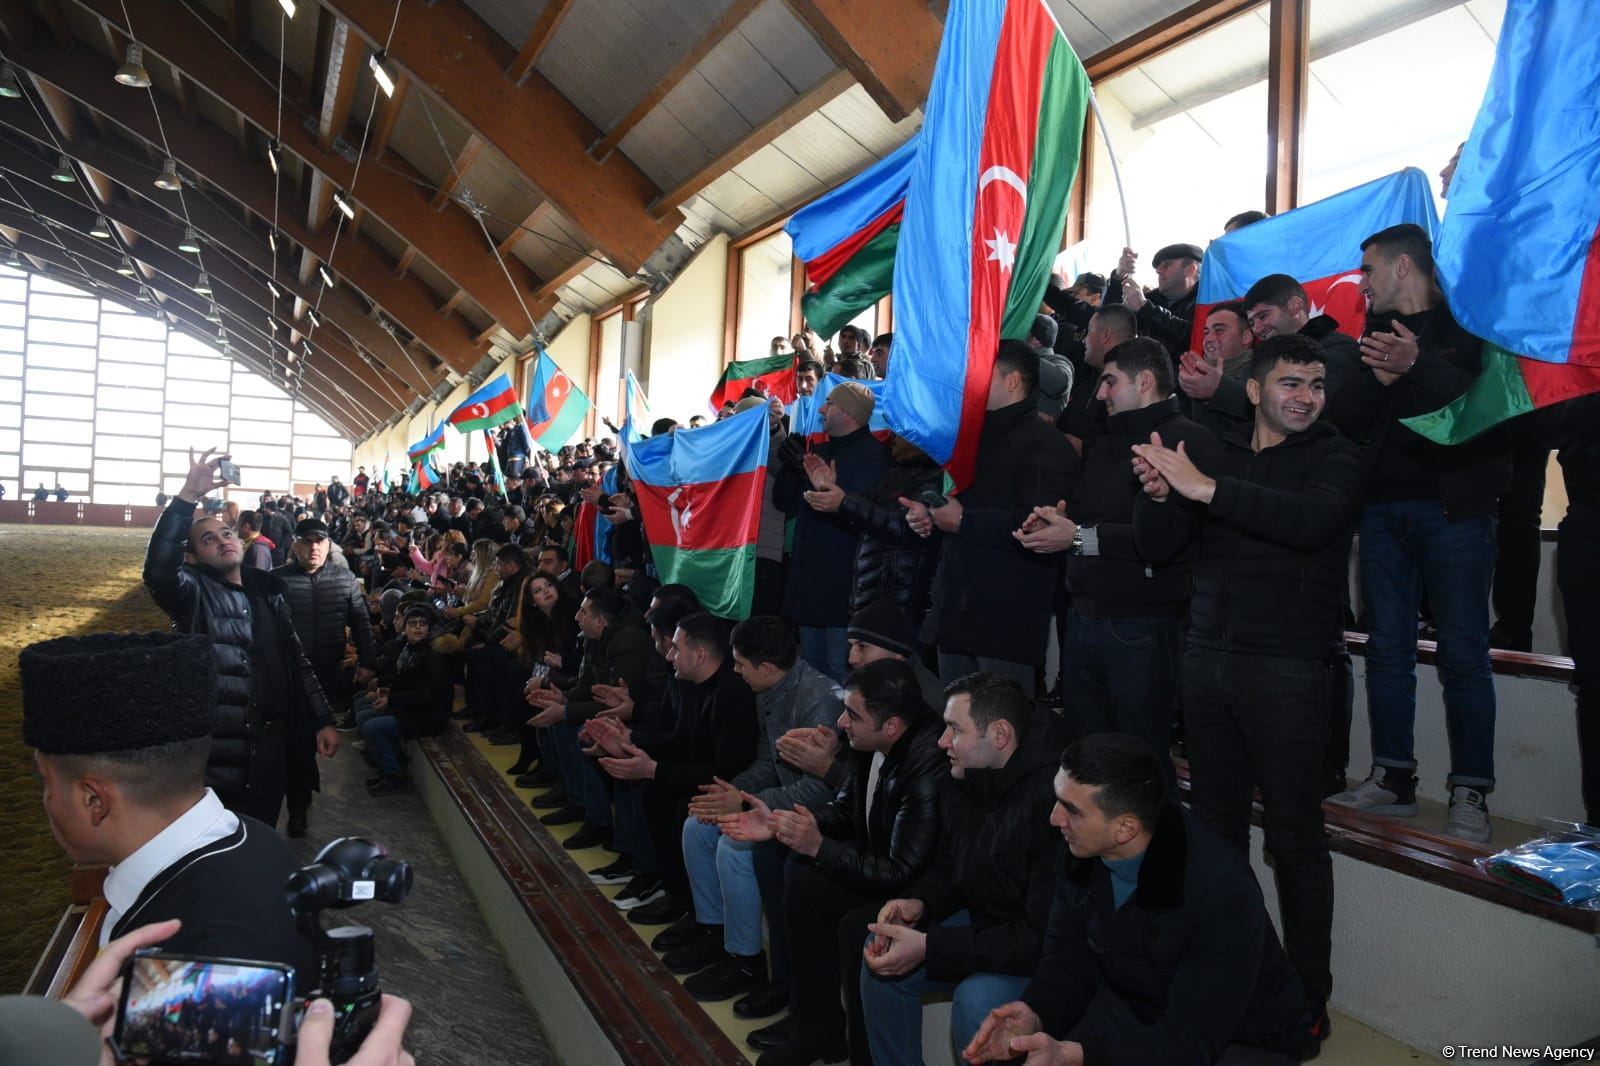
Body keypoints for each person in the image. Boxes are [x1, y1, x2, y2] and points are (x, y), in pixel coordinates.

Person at [1132, 333, 1363, 1037]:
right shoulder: (1213, 451)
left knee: (1295, 840)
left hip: (1290, 672)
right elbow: (1157, 548)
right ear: (1256, 389)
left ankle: (1307, 997)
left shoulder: (1336, 458)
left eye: (1317, 385)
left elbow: (1308, 523)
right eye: (1291, 383)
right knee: (1217, 834)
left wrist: (1205, 489)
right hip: (1205, 662)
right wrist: (1163, 497)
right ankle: (1233, 972)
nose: (1306, 397)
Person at [964, 734, 1313, 1066]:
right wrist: (1036, 1012)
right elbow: (1067, 961)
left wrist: (1081, 1054)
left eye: (1071, 809)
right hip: (1136, 1001)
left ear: (1125, 829)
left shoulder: (1222, 891)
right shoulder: (1080, 847)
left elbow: (1189, 1042)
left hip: (1241, 1038)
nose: (1054, 818)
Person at [1327, 223, 1510, 843]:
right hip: (1380, 511)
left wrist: (1416, 367)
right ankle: (1394, 777)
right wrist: (1377, 382)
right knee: (1386, 649)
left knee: (1463, 652)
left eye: (1371, 269)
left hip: (1454, 510)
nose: (1364, 283)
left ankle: (1471, 791)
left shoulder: (1470, 324)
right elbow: (1345, 422)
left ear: (1404, 267)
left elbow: (1488, 409)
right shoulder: (1371, 337)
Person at [21, 631, 318, 983]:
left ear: (93, 800)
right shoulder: (259, 840)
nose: (47, 801)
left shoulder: (184, 969)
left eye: (47, 783)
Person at [1016, 338, 1214, 781]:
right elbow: (1089, 519)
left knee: (1139, 765)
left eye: (1109, 382)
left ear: (1144, 382)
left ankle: (1151, 852)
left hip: (1142, 626)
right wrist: (1057, 522)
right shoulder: (1106, 444)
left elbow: (1172, 539)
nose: (1099, 394)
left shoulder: (1188, 441)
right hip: (1085, 617)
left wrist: (1079, 538)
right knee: (1088, 762)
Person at [728, 659, 943, 1066]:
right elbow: (846, 811)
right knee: (804, 878)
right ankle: (818, 1031)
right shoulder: (871, 740)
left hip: (921, 892)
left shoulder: (927, 765)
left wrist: (820, 847)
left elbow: (903, 872)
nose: (842, 723)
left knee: (851, 927)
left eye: (853, 715)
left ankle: (865, 1057)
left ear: (892, 726)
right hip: (884, 867)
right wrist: (780, 824)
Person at [859, 672, 1063, 1066]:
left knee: (977, 1000)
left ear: (1000, 735)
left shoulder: (1054, 803)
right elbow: (954, 865)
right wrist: (920, 902)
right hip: (988, 923)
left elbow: (1041, 938)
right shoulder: (962, 773)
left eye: (954, 729)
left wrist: (932, 947)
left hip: (1038, 949)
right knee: (880, 955)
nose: (941, 741)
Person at [144, 450, 339, 827]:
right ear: (194, 559)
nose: (222, 541)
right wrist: (187, 496)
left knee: (262, 835)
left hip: (274, 748)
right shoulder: (193, 596)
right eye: (207, 539)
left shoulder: (269, 593)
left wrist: (323, 719)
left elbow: (296, 661)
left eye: (226, 533)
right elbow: (158, 571)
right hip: (221, 755)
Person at [660, 616, 845, 1010]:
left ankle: (747, 961)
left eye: (740, 664)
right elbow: (767, 761)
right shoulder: (769, 688)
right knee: (698, 825)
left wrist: (743, 804)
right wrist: (735, 792)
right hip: (776, 801)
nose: (735, 670)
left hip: (819, 816)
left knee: (734, 846)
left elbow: (821, 787)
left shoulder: (820, 701)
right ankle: (713, 931)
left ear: (765, 668)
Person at [905, 341, 1080, 696]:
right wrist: (930, 512)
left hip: (1005, 620)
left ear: (1013, 380)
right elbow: (952, 502)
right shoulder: (968, 438)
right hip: (954, 608)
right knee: (955, 729)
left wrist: (964, 520)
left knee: (1002, 731)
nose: (970, 383)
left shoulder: (1046, 444)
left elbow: (1038, 527)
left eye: (982, 374)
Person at [587, 613, 759, 928]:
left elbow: (726, 771)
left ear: (700, 655)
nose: (669, 655)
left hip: (732, 787)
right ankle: (676, 894)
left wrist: (653, 769)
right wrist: (630, 742)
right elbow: (680, 740)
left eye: (676, 649)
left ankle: (698, 913)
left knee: (680, 805)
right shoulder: (692, 682)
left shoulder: (732, 693)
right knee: (656, 791)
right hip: (705, 774)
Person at [775, 381, 891, 681]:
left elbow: (864, 515)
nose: (823, 410)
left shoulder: (875, 457)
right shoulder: (820, 451)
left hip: (845, 584)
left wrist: (831, 491)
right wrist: (790, 468)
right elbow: (784, 503)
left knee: (843, 670)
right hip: (809, 580)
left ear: (849, 413)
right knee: (811, 671)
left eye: (830, 404)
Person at [273, 517, 377, 835]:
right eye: (307, 541)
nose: (313, 548)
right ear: (295, 544)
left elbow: (361, 623)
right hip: (284, 676)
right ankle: (288, 805)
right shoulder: (276, 581)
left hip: (325, 676)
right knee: (289, 743)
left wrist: (368, 662)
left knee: (303, 743)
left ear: (328, 545)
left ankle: (298, 806)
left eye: (319, 542)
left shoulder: (344, 579)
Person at [361, 604, 453, 795]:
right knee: (364, 716)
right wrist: (387, 692)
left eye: (422, 623)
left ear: (428, 629)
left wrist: (392, 699)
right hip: (414, 708)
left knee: (372, 727)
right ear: (405, 628)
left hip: (430, 715)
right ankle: (395, 759)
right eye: (412, 623)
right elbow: (408, 684)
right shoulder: (410, 649)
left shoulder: (432, 655)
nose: (417, 627)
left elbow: (429, 696)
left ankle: (394, 775)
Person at [1104, 242, 1202, 359]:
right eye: (1157, 266)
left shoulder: (1208, 305)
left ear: (1190, 269)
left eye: (1166, 265)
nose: (1158, 270)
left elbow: (1193, 338)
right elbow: (1107, 320)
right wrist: (1118, 278)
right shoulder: (1149, 300)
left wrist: (1145, 307)